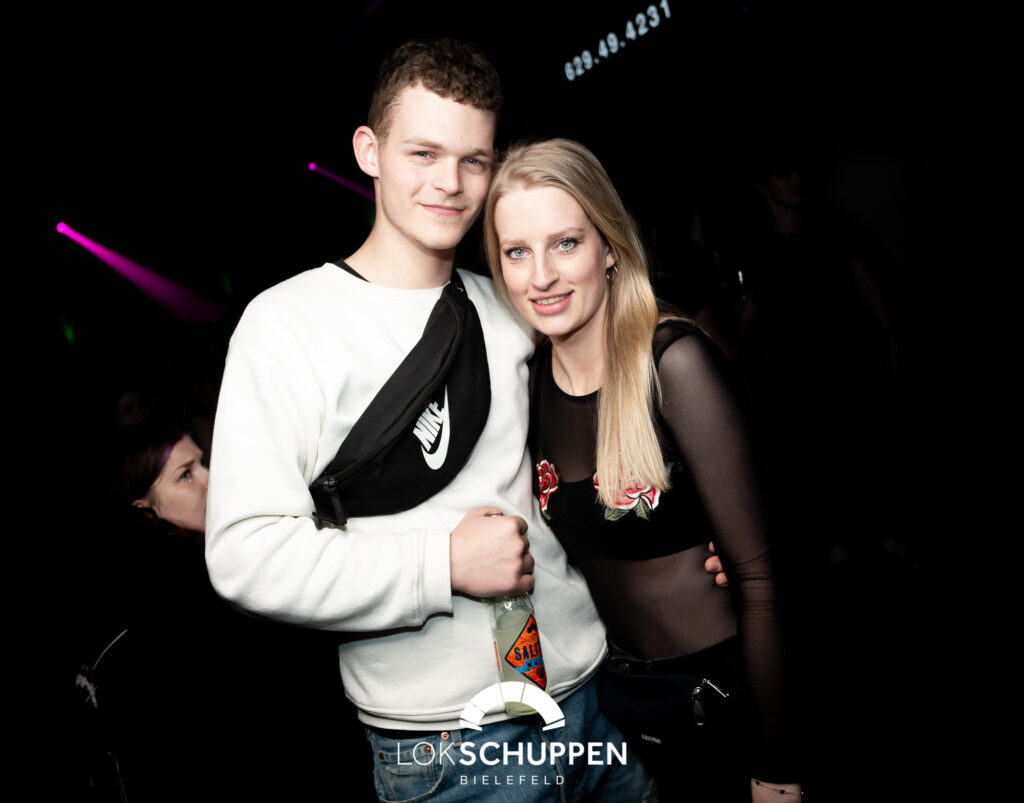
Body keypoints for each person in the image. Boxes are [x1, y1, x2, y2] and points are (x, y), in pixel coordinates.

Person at [205, 39, 663, 801]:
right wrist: (439, 563)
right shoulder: (286, 325)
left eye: (473, 160)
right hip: (453, 744)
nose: (450, 183)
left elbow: (586, 455)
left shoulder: (513, 305)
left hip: (592, 688)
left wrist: (677, 536)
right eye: (423, 153)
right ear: (369, 151)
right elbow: (244, 555)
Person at [483, 138, 803, 801]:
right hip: (622, 711)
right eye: (517, 251)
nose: (541, 275)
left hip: (727, 698)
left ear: (608, 246)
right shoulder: (527, 386)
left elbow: (763, 581)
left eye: (565, 243)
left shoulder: (673, 363)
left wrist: (777, 772)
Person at [76, 421, 358, 801]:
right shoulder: (165, 613)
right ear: (143, 510)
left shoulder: (228, 565)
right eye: (186, 475)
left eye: (203, 462)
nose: (211, 478)